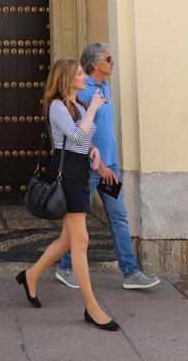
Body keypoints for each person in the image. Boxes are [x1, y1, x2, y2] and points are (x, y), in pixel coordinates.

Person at [15, 59, 120, 332]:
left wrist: (93, 150)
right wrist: (94, 109)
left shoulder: (80, 106)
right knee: (81, 240)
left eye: (84, 73)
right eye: (80, 73)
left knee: (67, 239)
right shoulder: (57, 107)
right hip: (67, 173)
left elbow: (83, 141)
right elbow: (73, 136)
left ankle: (31, 275)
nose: (84, 77)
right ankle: (91, 306)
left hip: (80, 171)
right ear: (66, 79)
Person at [55, 43, 161, 290]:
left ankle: (131, 272)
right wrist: (99, 164)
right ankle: (65, 266)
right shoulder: (82, 91)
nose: (113, 62)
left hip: (109, 166)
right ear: (95, 65)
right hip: (90, 167)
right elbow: (80, 132)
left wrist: (108, 164)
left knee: (119, 217)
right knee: (77, 218)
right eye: (109, 59)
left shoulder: (106, 88)